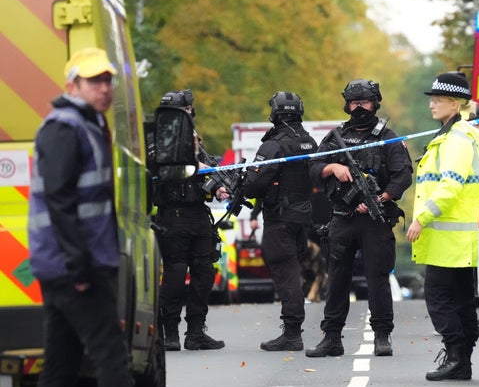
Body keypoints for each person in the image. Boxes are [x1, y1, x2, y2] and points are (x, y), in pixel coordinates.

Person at [28, 47, 189, 387]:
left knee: (60, 365)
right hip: (74, 267)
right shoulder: (65, 128)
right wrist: (80, 266)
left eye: (107, 80)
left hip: (68, 265)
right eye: (94, 81)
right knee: (112, 358)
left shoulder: (85, 124)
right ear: (72, 86)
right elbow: (61, 202)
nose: (104, 88)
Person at [306, 78, 413, 357]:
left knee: (377, 278)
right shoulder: (335, 137)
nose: (359, 108)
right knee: (337, 278)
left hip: (375, 221)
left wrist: (381, 198)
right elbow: (313, 166)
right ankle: (331, 338)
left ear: (374, 103)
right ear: (347, 104)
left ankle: (382, 336)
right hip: (342, 218)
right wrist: (332, 167)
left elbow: (403, 176)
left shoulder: (388, 138)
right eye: (354, 102)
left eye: (364, 102)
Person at [406, 72, 479, 381]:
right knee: (459, 300)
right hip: (458, 238)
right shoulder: (453, 135)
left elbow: (450, 186)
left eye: (437, 99)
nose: (432, 104)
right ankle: (461, 361)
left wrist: (421, 218)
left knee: (439, 298)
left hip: (450, 239)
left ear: (454, 104)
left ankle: (457, 354)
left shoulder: (456, 140)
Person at [153, 89, 227, 351]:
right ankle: (169, 332)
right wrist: (197, 167)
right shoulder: (158, 139)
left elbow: (209, 169)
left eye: (187, 111)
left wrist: (218, 187)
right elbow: (165, 169)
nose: (186, 115)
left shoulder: (195, 138)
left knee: (205, 272)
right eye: (182, 111)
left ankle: (196, 331)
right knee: (174, 274)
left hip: (198, 215)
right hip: (173, 216)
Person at [243, 91, 318, 351]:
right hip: (302, 219)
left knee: (286, 275)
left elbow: (254, 184)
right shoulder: (308, 141)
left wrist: (243, 182)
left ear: (274, 112)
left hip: (280, 219)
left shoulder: (273, 145)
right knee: (293, 270)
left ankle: (292, 334)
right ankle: (292, 331)